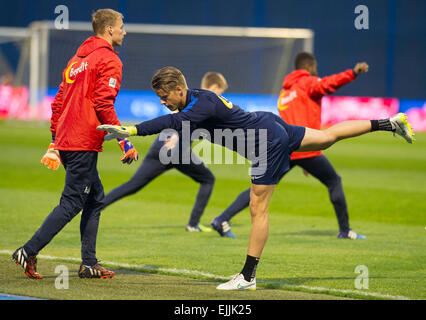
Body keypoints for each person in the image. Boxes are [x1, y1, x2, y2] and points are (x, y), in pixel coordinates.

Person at [97, 66, 414, 290]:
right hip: (271, 126)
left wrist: (132, 129)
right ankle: (389, 123)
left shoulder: (199, 104)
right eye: (159, 97)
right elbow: (176, 121)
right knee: (329, 136)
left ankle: (247, 277)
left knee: (258, 209)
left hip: (266, 144)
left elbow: (171, 120)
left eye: (164, 95)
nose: (162, 100)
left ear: (179, 89)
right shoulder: (198, 98)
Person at [12, 9, 139, 279]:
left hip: (68, 138)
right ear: (109, 30)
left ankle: (89, 263)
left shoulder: (76, 61)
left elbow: (58, 102)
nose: (124, 32)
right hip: (82, 141)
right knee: (72, 202)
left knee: (95, 198)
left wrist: (54, 141)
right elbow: (104, 103)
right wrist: (124, 141)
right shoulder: (109, 60)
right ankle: (28, 250)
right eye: (121, 27)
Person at [211, 52, 369, 240]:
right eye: (315, 67)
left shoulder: (285, 92)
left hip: (286, 148)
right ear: (309, 67)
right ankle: (345, 230)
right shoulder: (309, 82)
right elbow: (329, 83)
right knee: (334, 181)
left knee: (259, 188)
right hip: (304, 145)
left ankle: (222, 218)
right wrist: (353, 72)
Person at [100, 72, 228, 232]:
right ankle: (193, 224)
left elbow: (180, 120)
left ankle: (96, 207)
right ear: (215, 87)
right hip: (176, 148)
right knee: (208, 179)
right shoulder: (203, 102)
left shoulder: (192, 97)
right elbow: (182, 122)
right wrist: (176, 136)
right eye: (221, 91)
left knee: (134, 184)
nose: (221, 95)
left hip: (160, 144)